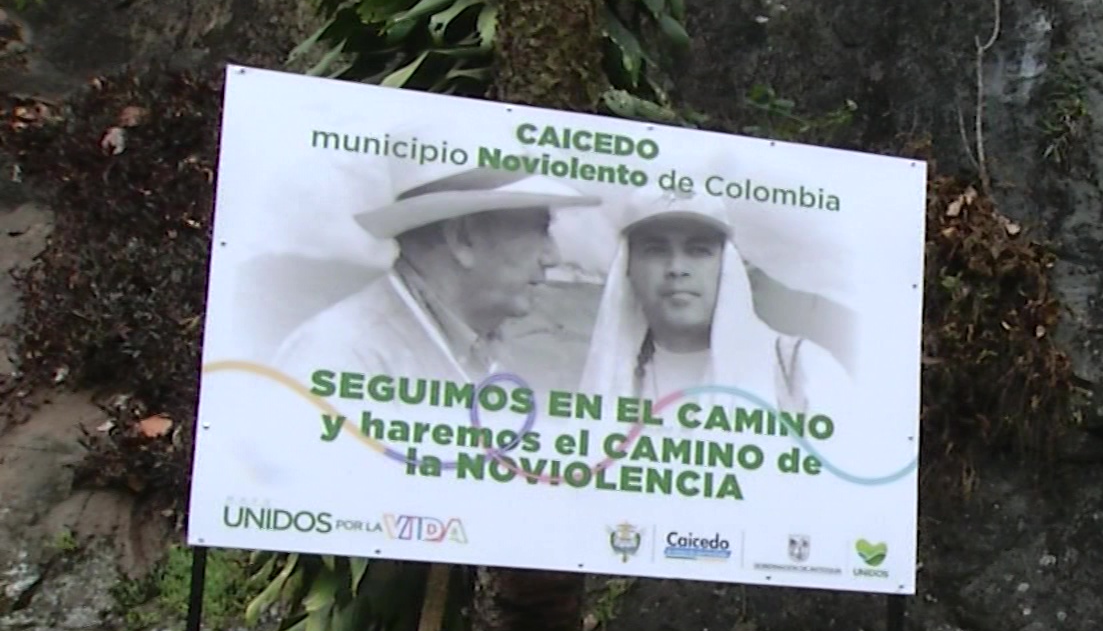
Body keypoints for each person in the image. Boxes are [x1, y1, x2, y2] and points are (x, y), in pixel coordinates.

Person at [271, 158, 600, 388]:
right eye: (540, 230)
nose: (552, 256)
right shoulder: (340, 356)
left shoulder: (484, 348)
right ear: (463, 239)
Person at [579, 192, 854, 420]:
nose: (676, 268)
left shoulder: (800, 368)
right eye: (655, 250)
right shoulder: (608, 373)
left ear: (727, 267)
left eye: (699, 251)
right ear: (628, 268)